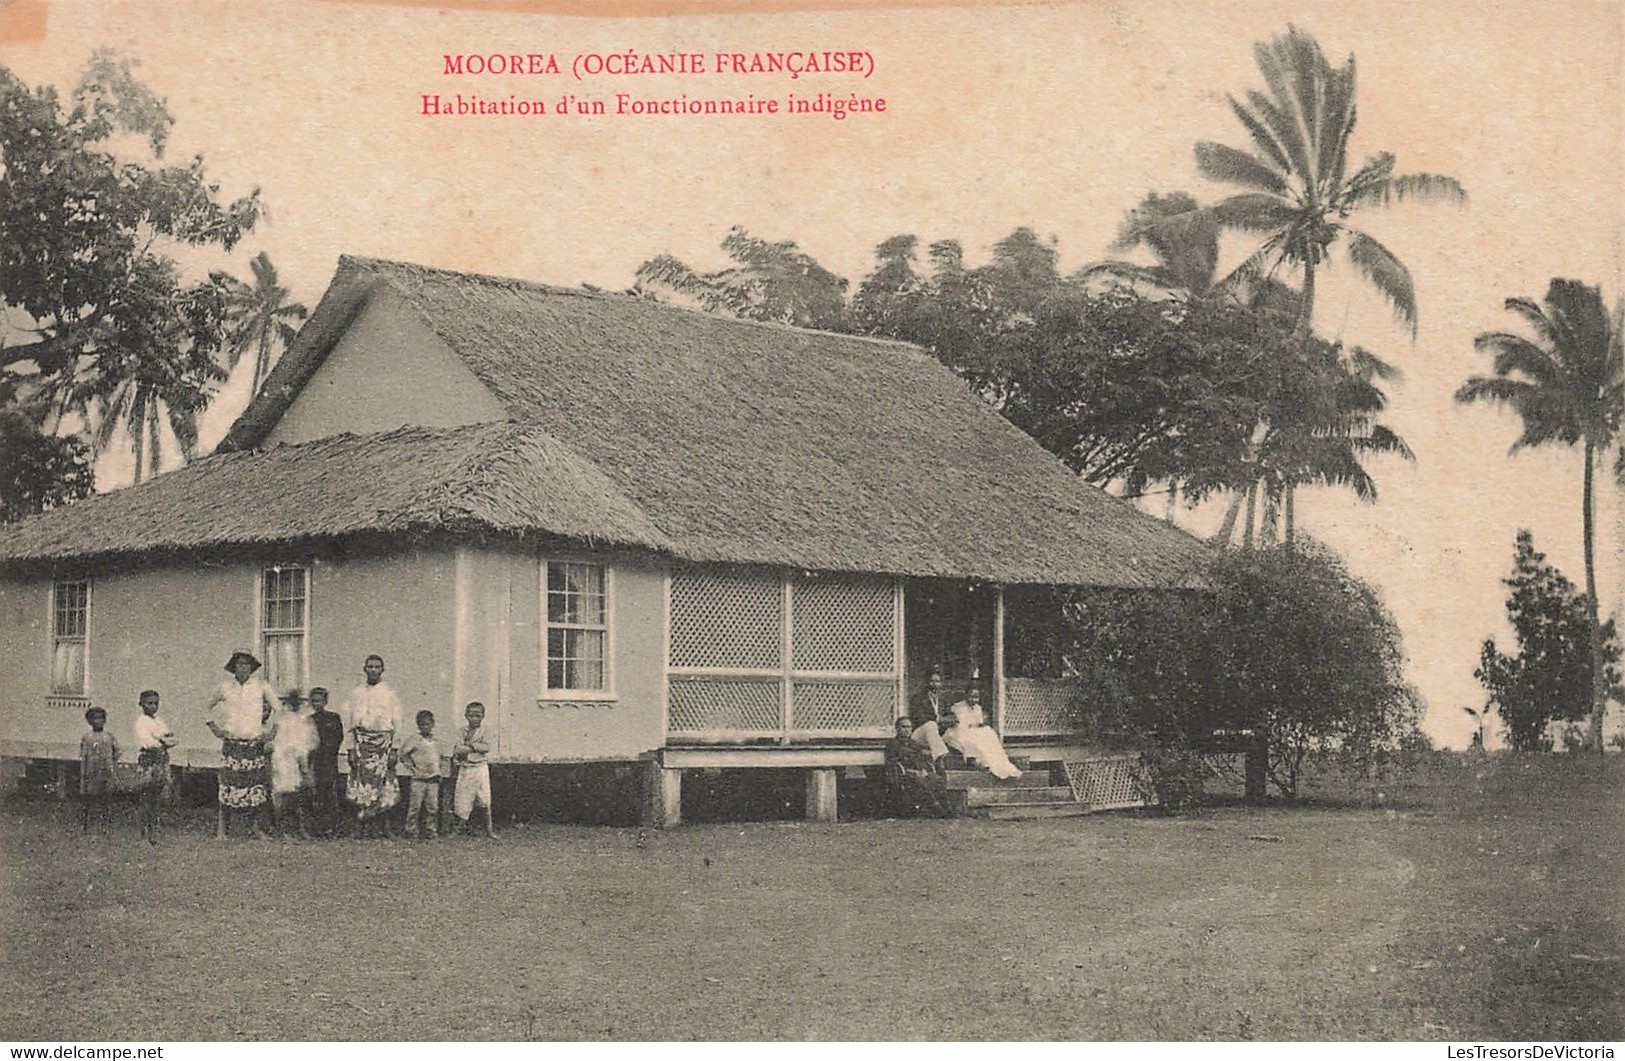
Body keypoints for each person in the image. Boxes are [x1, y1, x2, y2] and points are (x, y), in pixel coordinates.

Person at [205, 650, 281, 839]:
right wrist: (215, 728)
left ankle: (255, 828)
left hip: (253, 744)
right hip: (232, 744)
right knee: (228, 786)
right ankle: (222, 830)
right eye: (239, 664)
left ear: (252, 667)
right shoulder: (224, 687)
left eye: (247, 664)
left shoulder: (261, 686)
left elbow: (279, 708)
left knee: (254, 788)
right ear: (233, 666)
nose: (243, 667)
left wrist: (272, 732)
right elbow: (205, 707)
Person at [341, 654, 403, 838]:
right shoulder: (356, 693)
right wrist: (350, 749)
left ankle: (385, 828)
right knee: (360, 785)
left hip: (383, 745)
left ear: (382, 670)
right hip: (361, 743)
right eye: (370, 666)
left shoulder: (390, 693)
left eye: (377, 667)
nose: (374, 670)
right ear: (364, 669)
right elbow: (350, 723)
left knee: (384, 786)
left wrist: (394, 749)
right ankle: (360, 828)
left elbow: (398, 722)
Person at [941, 685, 1022, 779]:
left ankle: (1001, 765)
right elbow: (959, 723)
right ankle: (980, 762)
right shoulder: (958, 707)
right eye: (971, 696)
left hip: (974, 731)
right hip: (959, 731)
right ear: (966, 696)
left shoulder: (978, 708)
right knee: (974, 741)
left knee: (989, 735)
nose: (974, 700)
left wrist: (979, 726)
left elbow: (978, 722)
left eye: (976, 697)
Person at [269, 690, 316, 838]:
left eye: (298, 703)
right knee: (282, 794)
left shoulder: (304, 720)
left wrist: (303, 763)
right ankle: (281, 829)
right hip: (282, 759)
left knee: (297, 795)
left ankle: (299, 828)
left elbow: (308, 743)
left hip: (297, 760)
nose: (294, 705)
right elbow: (275, 740)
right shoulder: (280, 719)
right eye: (291, 702)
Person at [132, 690, 177, 845]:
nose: (153, 706)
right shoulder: (141, 721)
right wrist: (161, 740)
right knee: (145, 796)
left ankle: (154, 832)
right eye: (149, 703)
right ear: (141, 704)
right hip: (148, 760)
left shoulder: (158, 721)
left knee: (157, 798)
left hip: (161, 759)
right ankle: (143, 833)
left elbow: (170, 737)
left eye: (156, 703)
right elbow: (148, 742)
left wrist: (162, 739)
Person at [884, 716, 948, 817]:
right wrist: (913, 772)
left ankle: (946, 808)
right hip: (903, 774)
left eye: (909, 727)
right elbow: (892, 762)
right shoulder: (892, 744)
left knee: (938, 779)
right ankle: (935, 809)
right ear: (897, 728)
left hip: (919, 772)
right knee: (920, 781)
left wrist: (923, 770)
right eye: (904, 727)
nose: (907, 730)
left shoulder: (914, 744)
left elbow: (921, 759)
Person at [451, 701, 495, 838]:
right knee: (462, 799)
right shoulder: (461, 731)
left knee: (484, 799)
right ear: (466, 716)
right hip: (466, 768)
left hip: (480, 767)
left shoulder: (485, 730)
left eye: (478, 716)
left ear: (483, 717)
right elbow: (458, 749)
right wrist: (475, 747)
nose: (474, 719)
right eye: (471, 715)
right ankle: (459, 828)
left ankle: (489, 830)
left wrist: (470, 746)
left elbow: (486, 747)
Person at [397, 710, 443, 840]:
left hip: (433, 779)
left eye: (428, 724)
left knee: (432, 806)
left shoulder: (436, 741)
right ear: (418, 725)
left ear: (433, 724)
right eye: (422, 725)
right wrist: (412, 767)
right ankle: (410, 830)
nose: (425, 727)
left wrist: (439, 772)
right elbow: (402, 754)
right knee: (415, 806)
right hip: (419, 779)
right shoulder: (414, 740)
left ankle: (430, 830)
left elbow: (441, 757)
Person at [307, 687, 344, 836]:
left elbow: (338, 737)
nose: (317, 704)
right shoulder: (309, 720)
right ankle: (317, 827)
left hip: (329, 760)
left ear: (326, 701)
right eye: (314, 701)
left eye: (320, 701)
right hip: (315, 761)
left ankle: (332, 827)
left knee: (330, 793)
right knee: (316, 794)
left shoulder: (333, 718)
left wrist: (328, 750)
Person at [78, 706, 119, 834]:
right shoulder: (87, 737)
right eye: (95, 718)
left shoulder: (109, 737)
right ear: (90, 721)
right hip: (91, 771)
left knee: (106, 799)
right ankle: (86, 824)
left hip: (105, 771)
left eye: (101, 718)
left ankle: (105, 824)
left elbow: (116, 752)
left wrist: (111, 765)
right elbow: (83, 755)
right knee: (89, 799)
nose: (98, 721)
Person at [908, 666, 950, 766]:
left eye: (938, 681)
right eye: (932, 681)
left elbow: (951, 716)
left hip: (936, 737)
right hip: (920, 735)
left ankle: (940, 754)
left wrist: (946, 720)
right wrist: (939, 720)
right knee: (930, 724)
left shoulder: (943, 699)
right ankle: (940, 756)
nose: (935, 684)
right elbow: (920, 718)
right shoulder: (918, 698)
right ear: (927, 682)